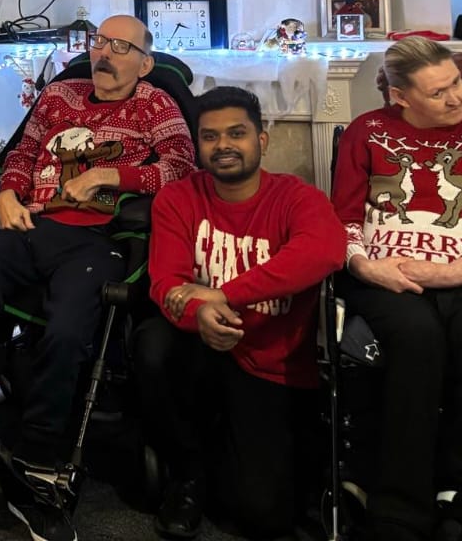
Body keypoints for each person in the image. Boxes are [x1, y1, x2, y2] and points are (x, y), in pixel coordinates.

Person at [0, 14, 194, 541]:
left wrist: (108, 174)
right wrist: (6, 192)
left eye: (121, 46)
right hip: (35, 221)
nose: (105, 53)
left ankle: (40, 451)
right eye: (100, 42)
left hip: (101, 237)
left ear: (145, 63)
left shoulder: (155, 104)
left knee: (70, 325)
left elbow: (183, 166)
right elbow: (22, 153)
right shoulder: (59, 96)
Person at [331, 37, 462, 541]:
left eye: (457, 83)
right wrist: (364, 267)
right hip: (388, 272)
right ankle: (401, 505)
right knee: (413, 337)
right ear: (400, 97)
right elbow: (340, 220)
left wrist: (457, 271)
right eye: (438, 92)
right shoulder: (368, 131)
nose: (456, 99)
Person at [147, 86, 346, 540]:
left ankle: (225, 456)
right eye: (210, 137)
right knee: (152, 345)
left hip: (273, 361)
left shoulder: (298, 198)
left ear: (263, 139)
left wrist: (221, 296)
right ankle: (188, 474)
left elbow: (324, 252)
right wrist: (199, 313)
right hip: (199, 348)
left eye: (237, 133)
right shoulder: (178, 199)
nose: (223, 146)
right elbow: (166, 283)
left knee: (265, 516)